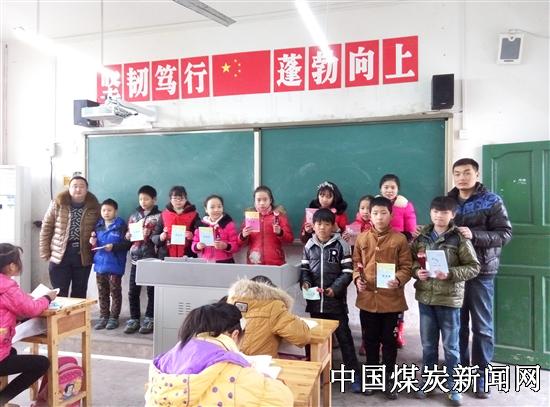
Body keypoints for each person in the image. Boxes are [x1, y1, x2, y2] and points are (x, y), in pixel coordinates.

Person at [144, 302, 293, 406]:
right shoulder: (238, 373)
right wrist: (265, 379)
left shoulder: (164, 363)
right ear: (235, 335)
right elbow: (282, 400)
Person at [448, 158, 512, 398]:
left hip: (482, 271)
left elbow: (504, 234)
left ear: (476, 174)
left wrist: (473, 235)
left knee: (482, 327)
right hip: (455, 272)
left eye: (467, 173)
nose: (462, 177)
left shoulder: (491, 200)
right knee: (458, 325)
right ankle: (462, 370)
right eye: (457, 173)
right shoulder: (448, 201)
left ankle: (482, 375)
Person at [411, 196, 480, 406]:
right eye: (435, 212)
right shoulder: (422, 237)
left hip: (449, 300)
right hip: (426, 298)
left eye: (444, 213)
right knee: (428, 346)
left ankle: (453, 385)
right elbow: (412, 262)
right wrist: (417, 272)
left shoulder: (459, 238)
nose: (439, 216)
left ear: (453, 215)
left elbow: (474, 267)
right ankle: (429, 381)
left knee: (451, 347)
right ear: (430, 212)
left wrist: (449, 273)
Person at [353, 196, 412, 399]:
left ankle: (389, 380)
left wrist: (399, 278)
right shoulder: (362, 238)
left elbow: (406, 267)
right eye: (375, 213)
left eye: (383, 213)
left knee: (389, 342)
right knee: (370, 341)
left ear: (391, 215)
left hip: (391, 301)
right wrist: (357, 279)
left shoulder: (400, 239)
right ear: (369, 215)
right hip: (368, 300)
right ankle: (372, 378)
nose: (379, 217)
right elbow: (356, 264)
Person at [300, 208, 362, 393]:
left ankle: (354, 375)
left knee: (345, 339)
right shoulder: (309, 245)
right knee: (314, 340)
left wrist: (334, 289)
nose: (322, 228)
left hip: (335, 302)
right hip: (315, 303)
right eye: (319, 224)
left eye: (327, 224)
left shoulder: (341, 245)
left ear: (333, 226)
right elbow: (305, 271)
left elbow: (347, 272)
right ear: (313, 226)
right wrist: (305, 284)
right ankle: (316, 374)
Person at [0, 243, 56, 405]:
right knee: (41, 363)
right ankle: (2, 399)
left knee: (12, 352)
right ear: (11, 266)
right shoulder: (7, 287)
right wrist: (47, 298)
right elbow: (31, 309)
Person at [39, 175, 100, 298]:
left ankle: (77, 312)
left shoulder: (95, 207)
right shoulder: (58, 203)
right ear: (69, 188)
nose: (78, 189)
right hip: (60, 254)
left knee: (80, 292)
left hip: (83, 254)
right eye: (74, 186)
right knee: (59, 292)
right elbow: (46, 227)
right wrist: (45, 251)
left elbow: (101, 228)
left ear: (87, 189)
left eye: (82, 186)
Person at [226, 276, 310, 357]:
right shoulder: (273, 306)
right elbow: (303, 337)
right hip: (260, 363)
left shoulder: (230, 301)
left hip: (228, 362)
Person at [379, 173, 417, 348]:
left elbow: (411, 229)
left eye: (392, 187)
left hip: (397, 253)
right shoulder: (376, 204)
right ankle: (374, 335)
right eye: (386, 187)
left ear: (398, 189)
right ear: (380, 189)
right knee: (377, 292)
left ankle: (397, 331)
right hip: (378, 253)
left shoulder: (405, 205)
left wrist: (399, 240)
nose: (389, 190)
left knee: (396, 292)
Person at [124, 185, 162, 335]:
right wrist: (128, 235)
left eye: (146, 199)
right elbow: (129, 234)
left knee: (152, 291)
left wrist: (151, 233)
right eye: (141, 199)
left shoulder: (160, 216)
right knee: (133, 291)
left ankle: (149, 318)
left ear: (154, 199)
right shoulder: (134, 216)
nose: (143, 202)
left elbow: (160, 237)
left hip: (152, 258)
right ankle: (134, 318)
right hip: (136, 258)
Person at [90, 198, 130, 330]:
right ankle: (103, 316)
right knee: (102, 292)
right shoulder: (98, 225)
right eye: (104, 210)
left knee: (115, 292)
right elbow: (94, 245)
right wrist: (93, 242)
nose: (106, 213)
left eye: (109, 210)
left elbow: (127, 245)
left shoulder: (122, 226)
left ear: (115, 211)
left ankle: (114, 318)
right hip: (100, 265)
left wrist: (113, 247)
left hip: (115, 265)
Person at [238, 185, 294, 265]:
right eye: (258, 200)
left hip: (275, 262)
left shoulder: (279, 217)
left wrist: (280, 233)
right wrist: (243, 236)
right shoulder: (250, 217)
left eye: (265, 199)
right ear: (254, 201)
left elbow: (289, 240)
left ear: (270, 200)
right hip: (254, 262)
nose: (262, 203)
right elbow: (240, 244)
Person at [348, 194, 374, 356]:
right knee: (364, 307)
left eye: (369, 208)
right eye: (362, 208)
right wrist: (346, 239)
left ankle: (377, 340)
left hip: (378, 273)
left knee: (379, 309)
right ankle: (366, 340)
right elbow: (351, 253)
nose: (365, 211)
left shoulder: (379, 226)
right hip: (361, 273)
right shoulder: (352, 227)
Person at [152, 185, 201, 259]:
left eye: (181, 198)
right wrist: (160, 237)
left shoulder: (194, 215)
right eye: (175, 198)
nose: (178, 201)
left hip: (187, 256)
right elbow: (154, 236)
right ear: (170, 199)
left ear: (186, 199)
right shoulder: (164, 215)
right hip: (165, 256)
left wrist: (192, 236)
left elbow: (200, 235)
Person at [191, 195, 239, 263]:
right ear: (206, 209)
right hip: (207, 262)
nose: (216, 210)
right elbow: (194, 246)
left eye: (219, 206)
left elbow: (236, 246)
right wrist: (197, 246)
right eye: (212, 207)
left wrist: (226, 246)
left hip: (226, 261)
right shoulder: (201, 225)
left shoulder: (228, 224)